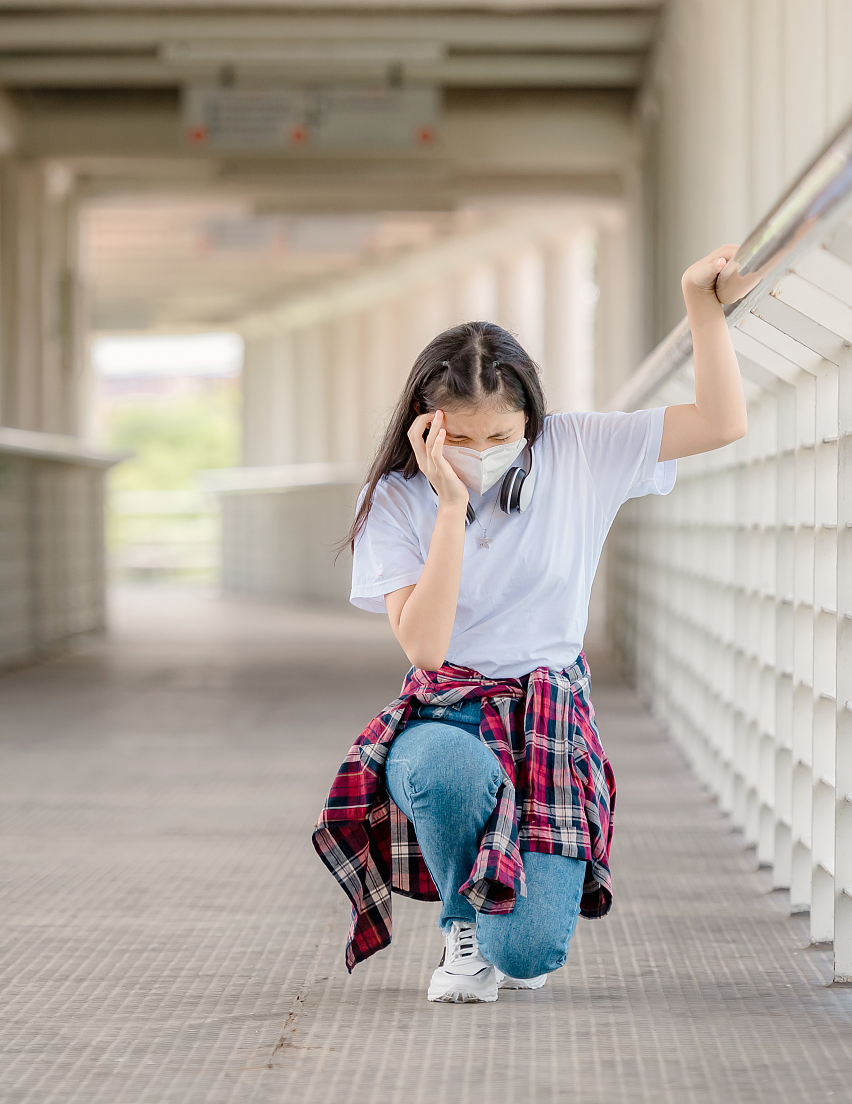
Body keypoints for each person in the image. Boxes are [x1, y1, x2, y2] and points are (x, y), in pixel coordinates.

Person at [311, 245, 759, 1003]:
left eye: (500, 437)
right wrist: (449, 506)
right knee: (446, 774)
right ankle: (461, 924)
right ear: (425, 428)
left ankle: (508, 923)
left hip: (548, 716)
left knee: (525, 955)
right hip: (447, 715)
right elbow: (425, 646)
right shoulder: (395, 498)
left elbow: (721, 422)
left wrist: (702, 304)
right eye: (460, 439)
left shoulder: (576, 449)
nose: (482, 455)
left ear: (530, 421)